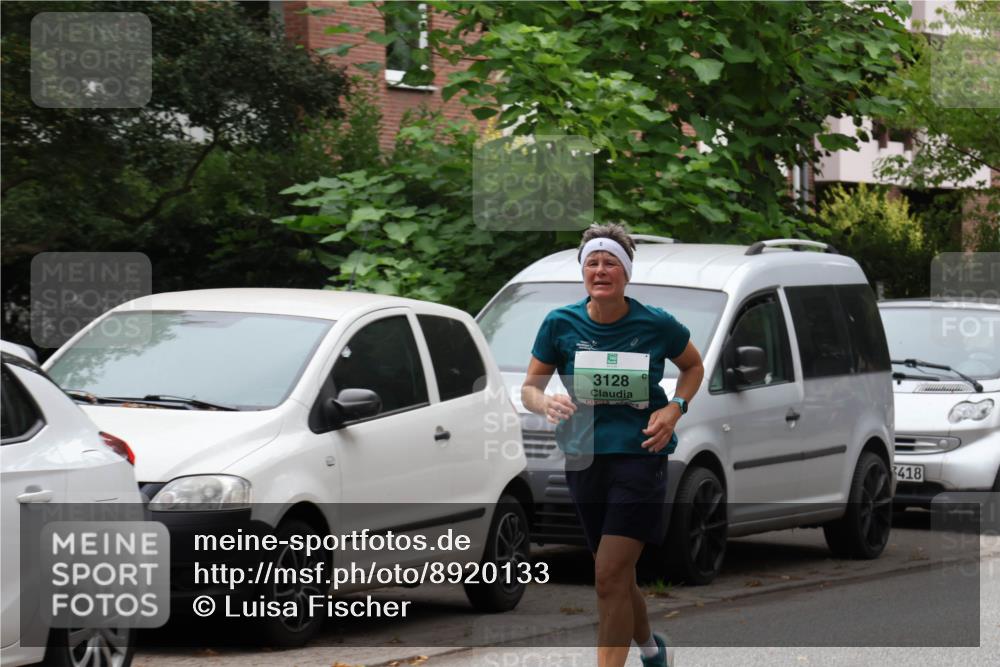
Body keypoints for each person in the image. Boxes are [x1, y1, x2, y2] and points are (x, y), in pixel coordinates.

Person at [521, 223, 704, 667]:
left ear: (625, 273)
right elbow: (530, 387)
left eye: (610, 263)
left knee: (607, 575)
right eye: (593, 263)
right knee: (618, 576)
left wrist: (675, 407)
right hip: (584, 459)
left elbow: (693, 366)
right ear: (583, 271)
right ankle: (652, 651)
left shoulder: (655, 323)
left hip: (640, 458)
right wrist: (546, 402)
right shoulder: (559, 323)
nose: (600, 270)